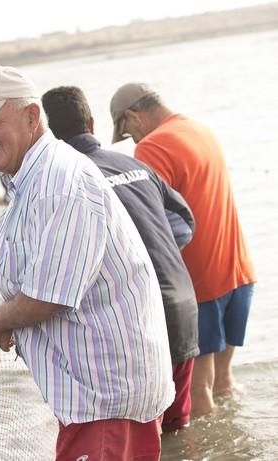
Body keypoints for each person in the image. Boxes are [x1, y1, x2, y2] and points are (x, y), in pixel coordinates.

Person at [0, 66, 174, 460]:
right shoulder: (30, 177)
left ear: (32, 117)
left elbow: (47, 297)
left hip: (105, 398)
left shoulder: (61, 182)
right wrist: (13, 322)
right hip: (96, 394)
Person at [43, 85, 199, 432]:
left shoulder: (68, 181)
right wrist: (151, 249)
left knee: (145, 437)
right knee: (178, 431)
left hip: (141, 322)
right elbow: (184, 223)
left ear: (47, 135)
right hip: (183, 306)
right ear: (92, 122)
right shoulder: (132, 163)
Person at [110, 83, 257, 418]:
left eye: (128, 132)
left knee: (199, 394)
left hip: (202, 285)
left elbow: (150, 221)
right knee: (223, 383)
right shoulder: (200, 128)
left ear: (133, 116)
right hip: (240, 273)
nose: (133, 141)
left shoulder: (152, 146)